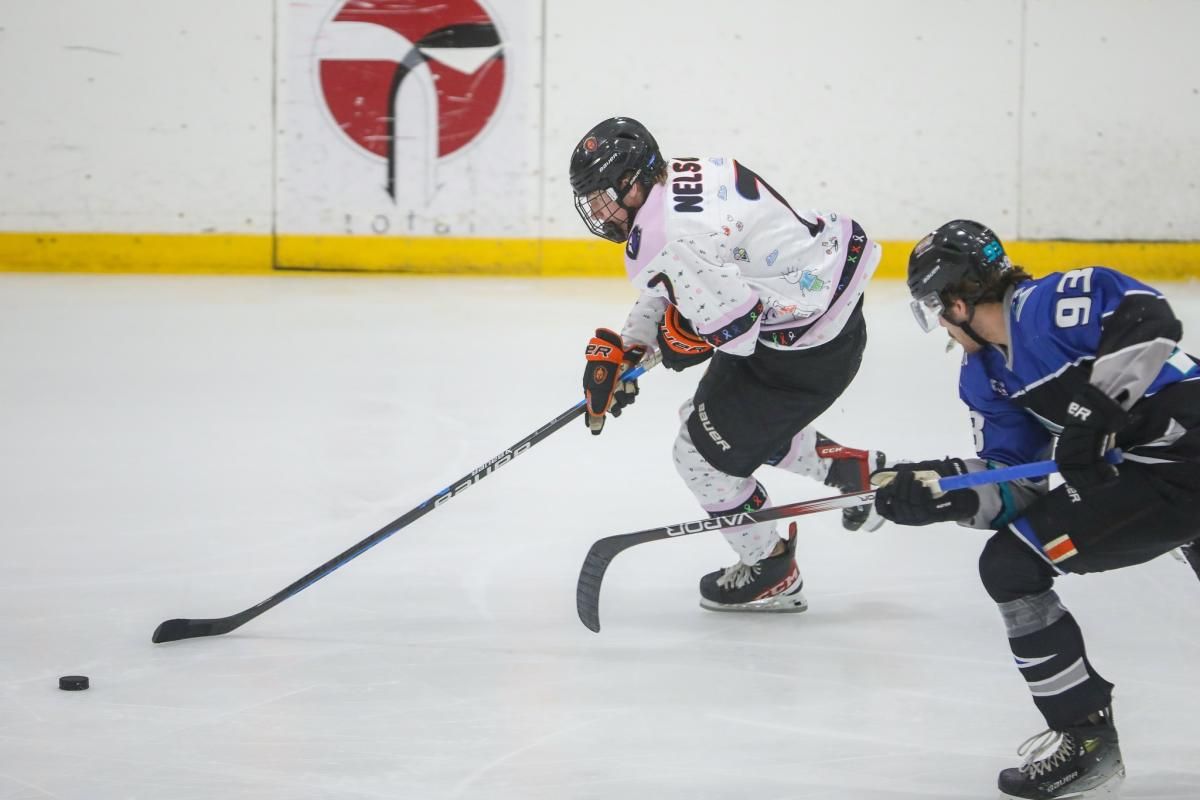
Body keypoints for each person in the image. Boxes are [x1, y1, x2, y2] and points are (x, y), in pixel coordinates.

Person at [872, 219, 1200, 799]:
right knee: (1010, 564)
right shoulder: (985, 379)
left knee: (1011, 568)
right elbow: (1013, 487)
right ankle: (1085, 739)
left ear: (956, 299)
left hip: (1187, 452)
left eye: (936, 308)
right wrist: (941, 496)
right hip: (1156, 481)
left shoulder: (1049, 304)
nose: (941, 326)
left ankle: (1087, 738)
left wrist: (1093, 416)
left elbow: (1151, 321)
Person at [568, 116, 886, 613]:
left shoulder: (658, 237)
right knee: (705, 423)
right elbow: (689, 276)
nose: (598, 211)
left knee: (697, 456)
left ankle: (771, 571)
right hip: (824, 299)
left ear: (632, 181)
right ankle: (848, 472)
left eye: (603, 196)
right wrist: (633, 345)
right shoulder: (685, 174)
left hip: (804, 352)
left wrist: (667, 347)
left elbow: (733, 331)